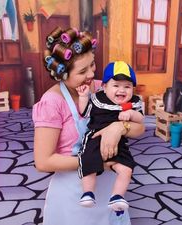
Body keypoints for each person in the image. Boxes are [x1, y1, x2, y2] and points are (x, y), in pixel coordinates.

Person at [32, 26, 145, 225]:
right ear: (62, 74)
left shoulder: (105, 88)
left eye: (92, 65)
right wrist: (96, 163)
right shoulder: (51, 102)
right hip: (73, 194)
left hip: (109, 188)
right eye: (82, 71)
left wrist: (118, 128)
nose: (91, 74)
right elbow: (43, 161)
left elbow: (140, 128)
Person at [76, 61, 144, 212]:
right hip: (95, 138)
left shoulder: (130, 103)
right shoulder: (98, 99)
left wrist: (131, 113)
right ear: (105, 87)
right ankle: (88, 192)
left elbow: (140, 120)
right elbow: (85, 112)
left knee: (127, 169)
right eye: (116, 85)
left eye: (127, 86)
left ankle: (117, 196)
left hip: (118, 143)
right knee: (88, 161)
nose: (122, 90)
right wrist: (83, 96)